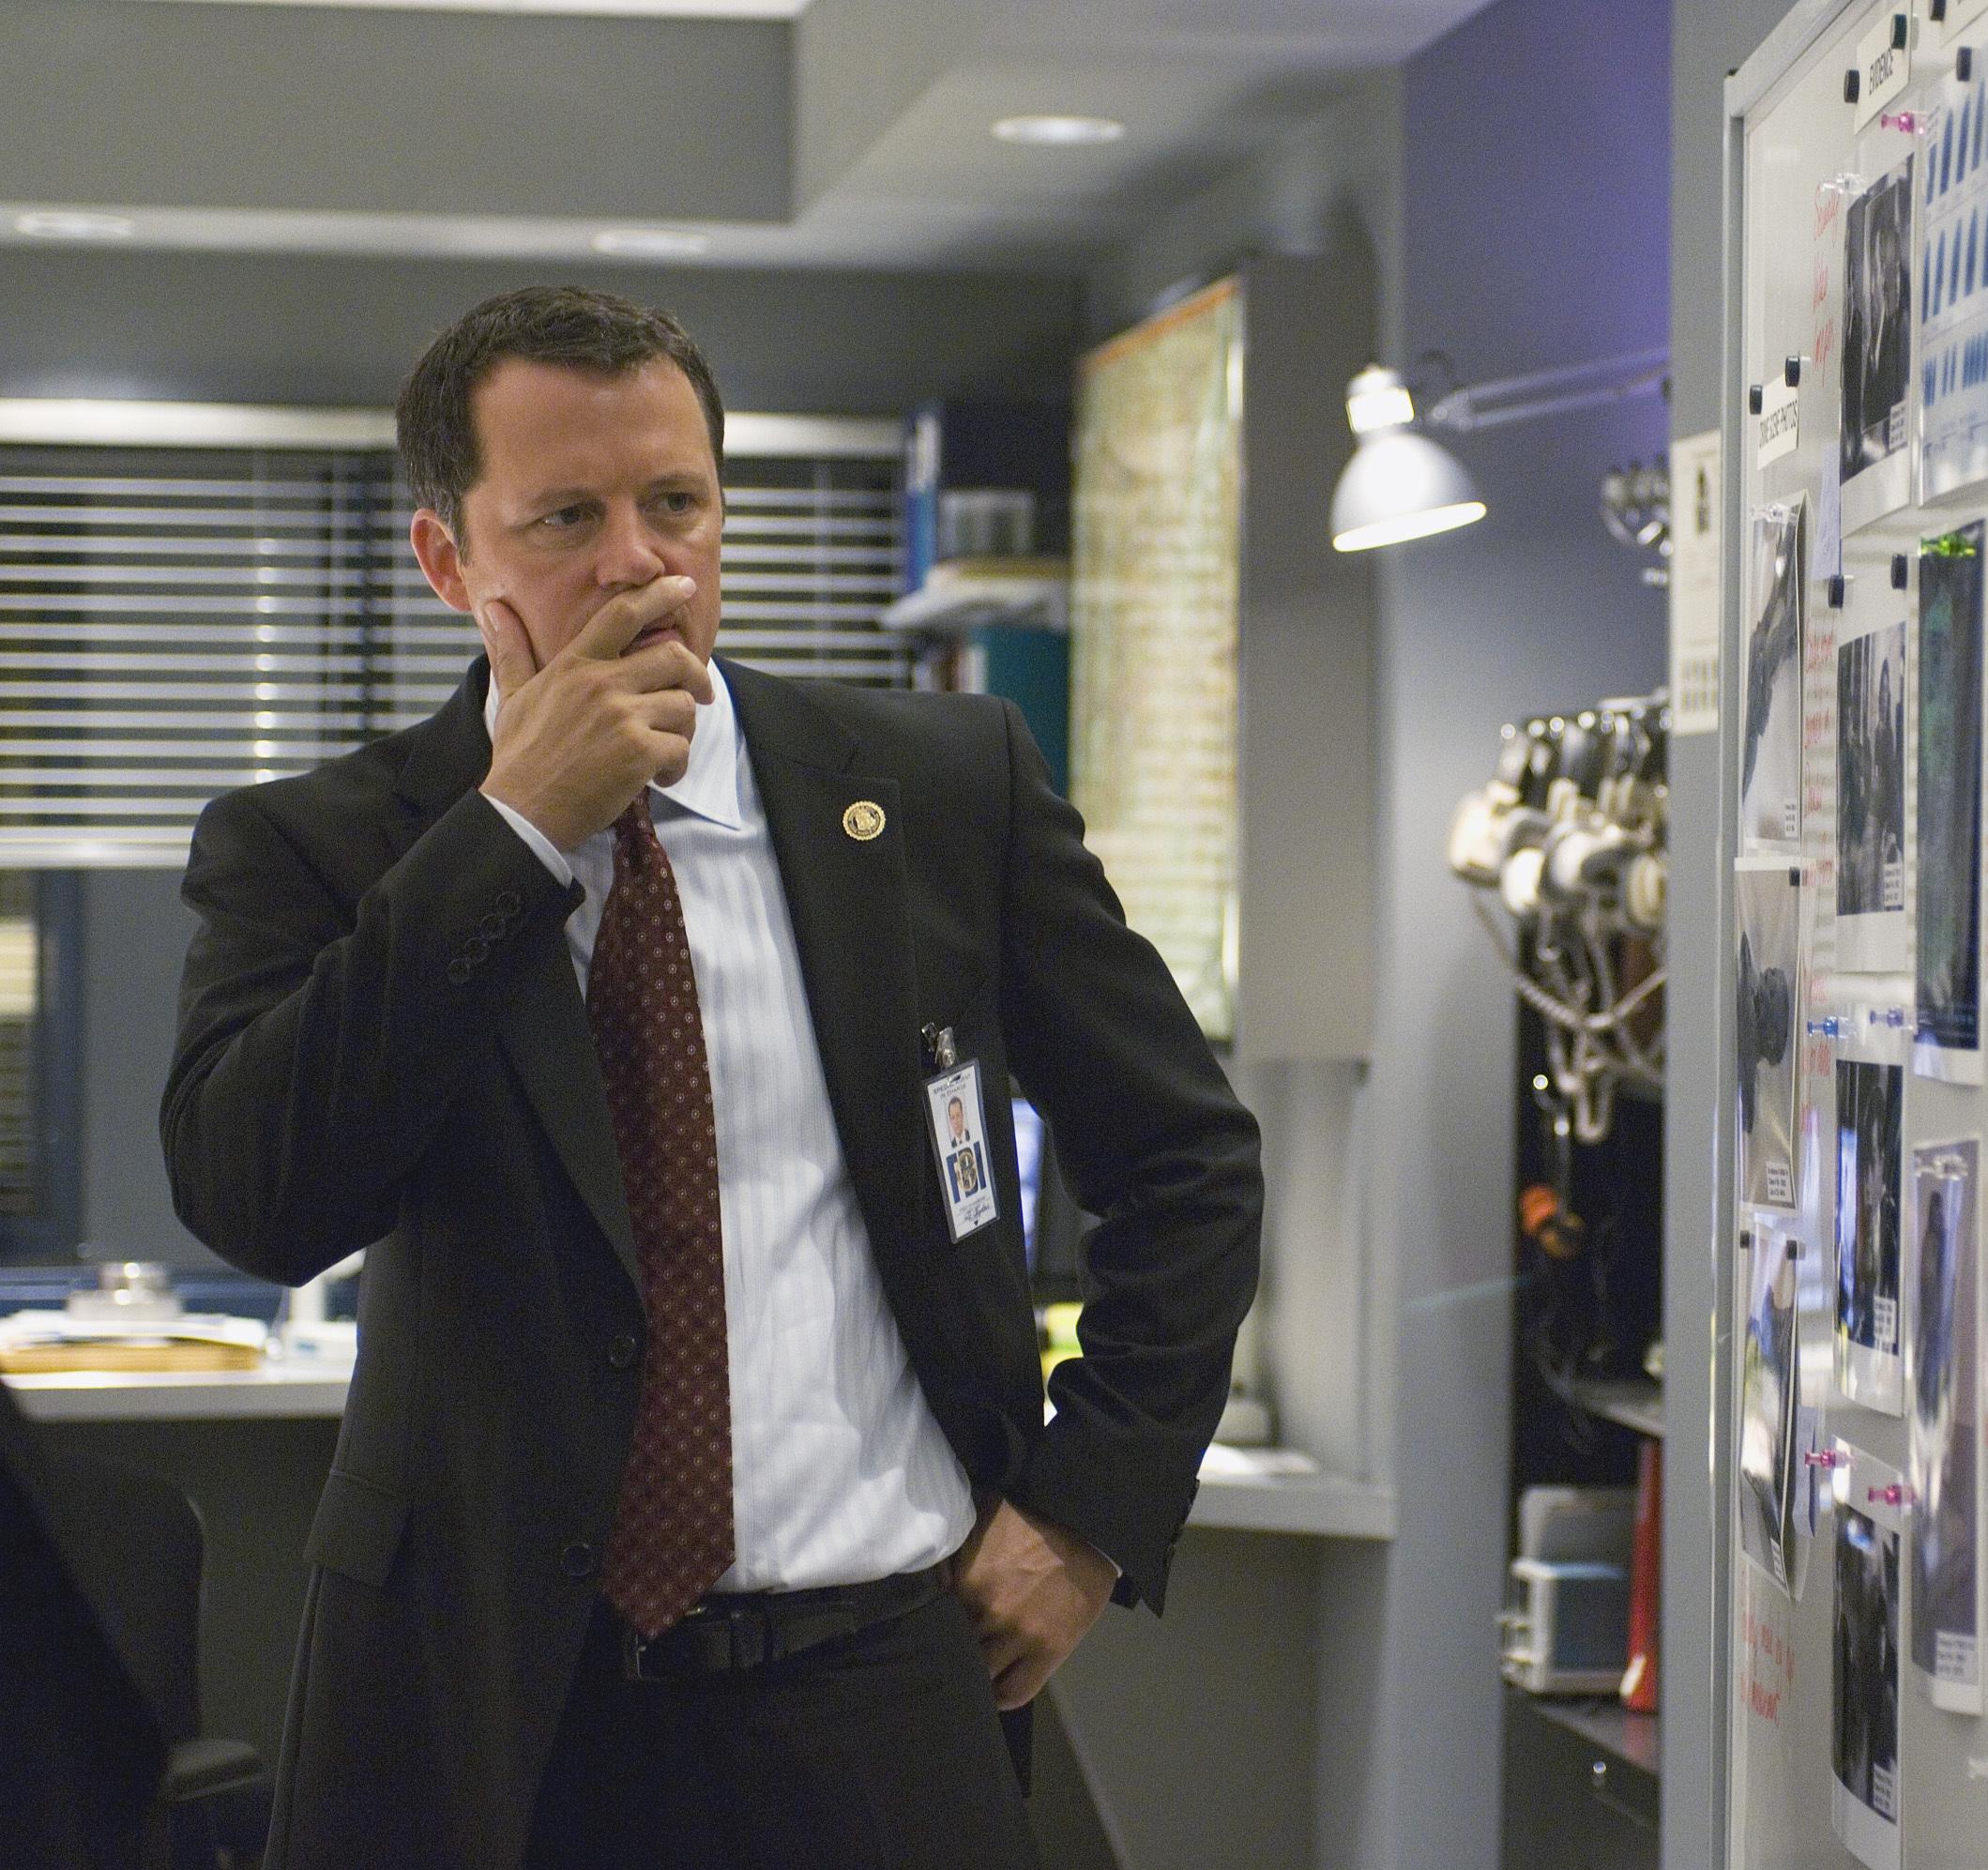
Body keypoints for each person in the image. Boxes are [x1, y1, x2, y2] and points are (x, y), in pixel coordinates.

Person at [161, 286, 1264, 1869]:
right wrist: (513, 832)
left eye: (675, 502)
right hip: (484, 1712)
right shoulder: (319, 845)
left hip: (879, 1685)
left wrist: (1090, 1509)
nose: (640, 562)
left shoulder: (940, 790)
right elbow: (257, 1199)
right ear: (449, 560)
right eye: (567, 517)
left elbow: (1190, 1164)